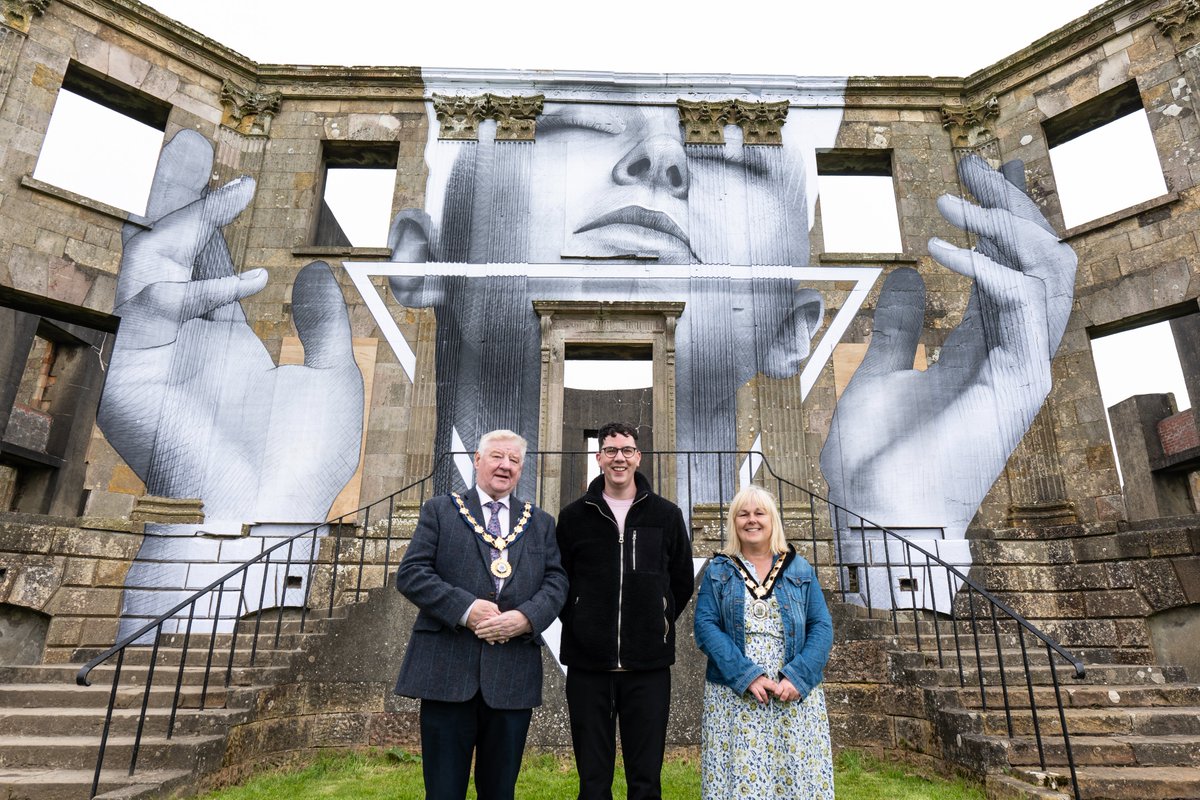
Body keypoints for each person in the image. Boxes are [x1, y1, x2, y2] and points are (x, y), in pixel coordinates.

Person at [394, 429, 568, 800]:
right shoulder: (440, 510)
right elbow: (412, 574)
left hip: (511, 676)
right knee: (443, 791)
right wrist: (467, 610)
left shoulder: (540, 523)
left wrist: (525, 618)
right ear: (477, 460)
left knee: (500, 790)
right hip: (447, 673)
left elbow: (556, 583)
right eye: (497, 457)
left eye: (514, 460)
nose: (505, 466)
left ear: (522, 469)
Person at [555, 421, 696, 800]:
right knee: (593, 780)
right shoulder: (572, 517)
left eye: (627, 450)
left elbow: (681, 582)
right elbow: (560, 581)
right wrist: (584, 622)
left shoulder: (666, 515)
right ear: (599, 457)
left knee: (646, 779)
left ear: (638, 457)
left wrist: (657, 620)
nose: (620, 458)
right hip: (588, 667)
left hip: (648, 666)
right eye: (612, 451)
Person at [693, 484, 834, 799]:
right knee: (740, 777)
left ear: (773, 521)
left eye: (759, 513)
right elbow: (704, 626)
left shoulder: (799, 568)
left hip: (793, 693)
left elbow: (821, 625)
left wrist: (798, 675)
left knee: (796, 776)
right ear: (734, 522)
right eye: (743, 514)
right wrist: (746, 675)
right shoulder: (718, 570)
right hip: (736, 692)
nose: (751, 520)